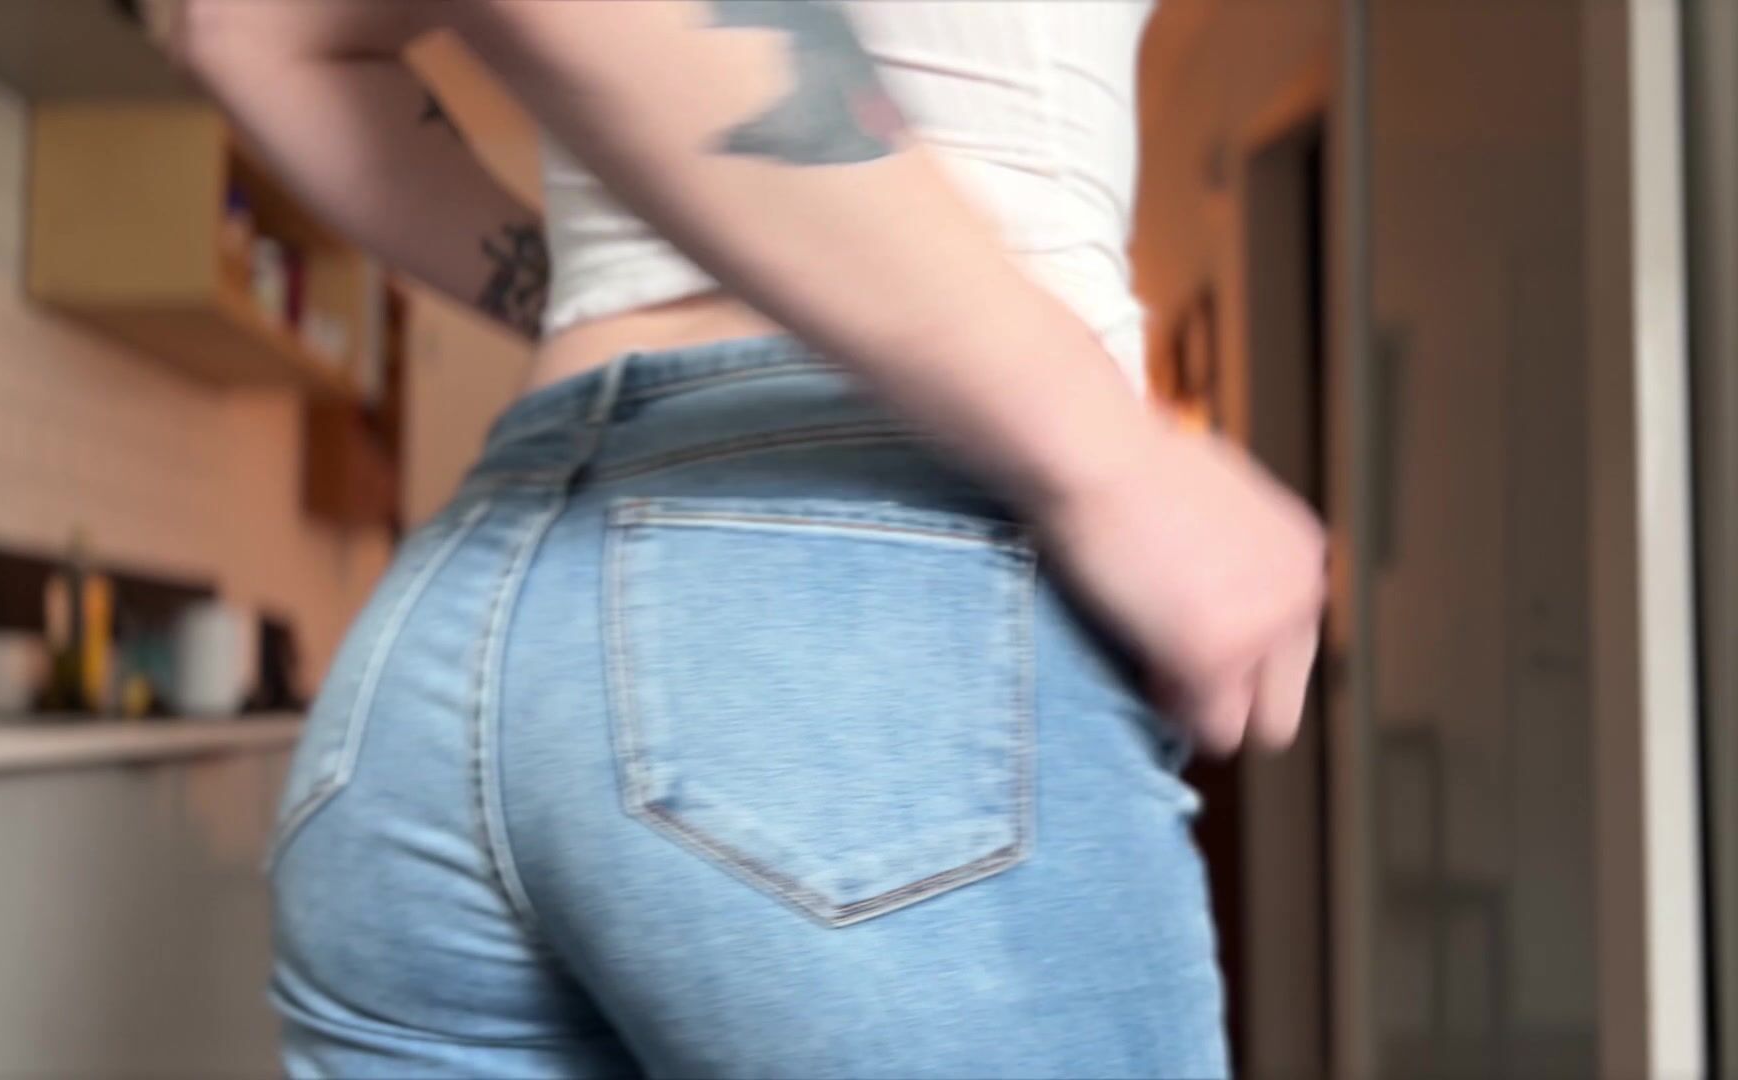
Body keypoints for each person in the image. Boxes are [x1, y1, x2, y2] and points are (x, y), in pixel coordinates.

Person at [153, 2, 1325, 1076]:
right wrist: (1112, 459)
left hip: (463, 624)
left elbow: (242, 25)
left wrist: (606, 289)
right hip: (859, 608)